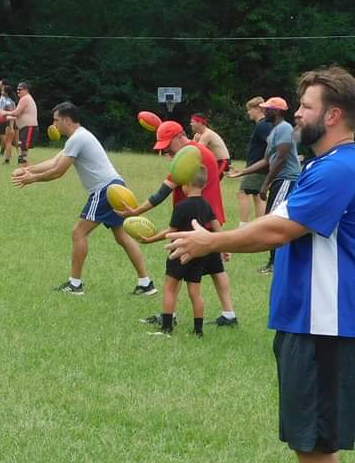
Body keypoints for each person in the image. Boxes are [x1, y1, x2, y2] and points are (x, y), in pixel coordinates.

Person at [167, 66, 355, 463]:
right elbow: (275, 220)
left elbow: (279, 231)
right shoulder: (323, 164)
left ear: (333, 115)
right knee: (306, 433)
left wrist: (213, 240)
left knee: (313, 437)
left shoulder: (341, 167)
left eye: (307, 107)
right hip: (303, 318)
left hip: (323, 321)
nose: (297, 114)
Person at [11, 102, 156, 297]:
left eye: (56, 120)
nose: (53, 125)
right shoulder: (79, 136)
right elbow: (54, 162)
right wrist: (27, 169)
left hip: (105, 191)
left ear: (66, 120)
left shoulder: (78, 138)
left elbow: (57, 172)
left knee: (78, 232)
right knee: (122, 236)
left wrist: (31, 179)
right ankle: (146, 284)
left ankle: (75, 284)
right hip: (116, 188)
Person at [118, 120, 239, 326]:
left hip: (191, 226)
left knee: (174, 275)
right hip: (209, 220)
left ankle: (169, 316)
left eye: (167, 145)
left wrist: (136, 211)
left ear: (179, 137)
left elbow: (162, 192)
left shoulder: (189, 156)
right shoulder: (197, 150)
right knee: (216, 270)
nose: (166, 151)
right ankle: (229, 314)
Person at [137, 166, 224, 337]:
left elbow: (171, 231)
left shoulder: (181, 206)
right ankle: (198, 331)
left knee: (170, 287)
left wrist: (150, 239)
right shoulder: (207, 205)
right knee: (195, 293)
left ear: (187, 184)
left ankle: (166, 328)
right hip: (199, 254)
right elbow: (216, 227)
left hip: (179, 252)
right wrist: (224, 247)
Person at [229, 96, 302, 274]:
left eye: (267, 109)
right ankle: (275, 263)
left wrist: (265, 184)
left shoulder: (284, 128)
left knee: (275, 220)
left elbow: (280, 158)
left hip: (287, 179)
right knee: (273, 218)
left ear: (276, 111)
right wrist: (243, 172)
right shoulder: (274, 131)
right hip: (279, 180)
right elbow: (266, 160)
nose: (264, 111)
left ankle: (275, 264)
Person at [228, 96, 273, 227]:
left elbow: (272, 143)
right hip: (260, 167)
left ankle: (243, 225)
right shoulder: (265, 125)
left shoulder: (263, 125)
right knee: (258, 196)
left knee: (242, 192)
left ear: (258, 109)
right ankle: (262, 226)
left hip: (258, 168)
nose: (248, 112)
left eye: (250, 109)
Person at [4, 81, 38, 165]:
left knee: (23, 153)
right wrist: (9, 117)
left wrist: (4, 113)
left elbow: (16, 113)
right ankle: (24, 170)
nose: (18, 91)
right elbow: (19, 115)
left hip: (29, 128)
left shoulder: (25, 98)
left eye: (20, 89)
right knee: (22, 151)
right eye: (17, 89)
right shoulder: (26, 98)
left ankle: (26, 172)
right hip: (26, 128)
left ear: (26, 90)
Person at [0, 80, 17, 162]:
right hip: (9, 122)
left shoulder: (8, 102)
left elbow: (12, 115)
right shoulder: (9, 100)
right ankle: (9, 158)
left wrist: (11, 126)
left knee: (9, 141)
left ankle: (7, 159)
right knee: (12, 142)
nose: (1, 92)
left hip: (9, 123)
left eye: (2, 91)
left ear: (6, 93)